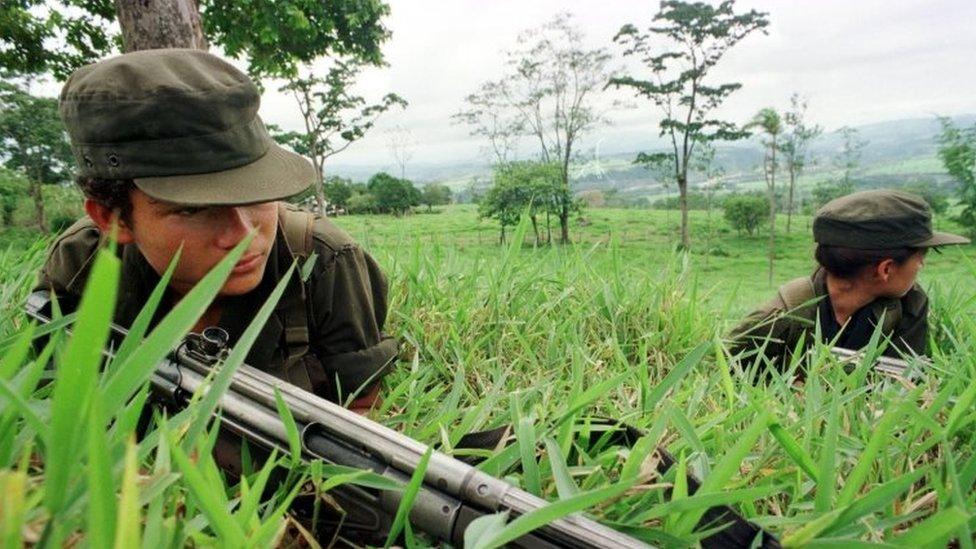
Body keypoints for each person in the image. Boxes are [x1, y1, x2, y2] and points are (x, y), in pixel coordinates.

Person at [35, 49, 398, 413]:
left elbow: (361, 405)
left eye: (258, 194)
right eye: (194, 209)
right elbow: (55, 399)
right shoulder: (81, 265)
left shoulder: (324, 260)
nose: (243, 235)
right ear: (113, 219)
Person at [728, 189, 969, 368]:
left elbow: (904, 384)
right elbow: (723, 376)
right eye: (921, 255)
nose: (922, 264)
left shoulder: (909, 304)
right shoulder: (782, 317)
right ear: (885, 269)